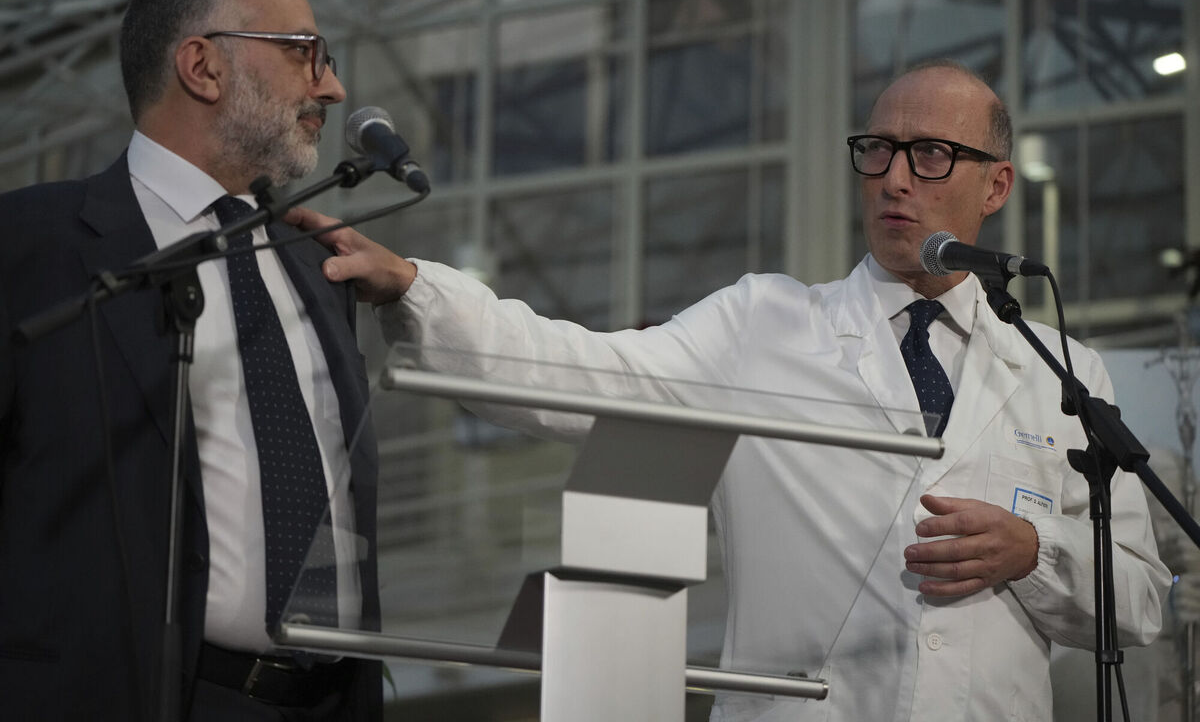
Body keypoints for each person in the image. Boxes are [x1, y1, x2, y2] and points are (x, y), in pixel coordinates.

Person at [287, 61, 1172, 720]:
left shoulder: (1063, 371)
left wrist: (1036, 550)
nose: (896, 178)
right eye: (880, 150)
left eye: (933, 155)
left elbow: (1140, 599)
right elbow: (586, 376)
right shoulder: (765, 324)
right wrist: (417, 287)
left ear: (997, 186)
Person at [0, 0, 381, 721]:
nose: (332, 88)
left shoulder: (315, 260)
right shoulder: (30, 243)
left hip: (329, 700)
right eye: (305, 53)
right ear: (203, 66)